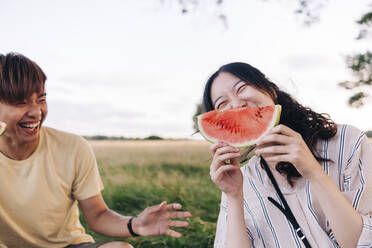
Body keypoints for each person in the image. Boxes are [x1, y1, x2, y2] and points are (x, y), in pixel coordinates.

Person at [0, 52, 191, 248]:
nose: (36, 112)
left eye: (41, 99)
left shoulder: (73, 147)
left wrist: (135, 225)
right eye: (21, 103)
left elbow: (97, 215)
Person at [203, 62, 372, 248]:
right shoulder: (242, 180)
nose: (236, 105)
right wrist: (234, 197)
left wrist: (314, 172)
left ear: (270, 91)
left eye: (241, 88)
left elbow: (359, 242)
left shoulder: (347, 142)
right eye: (222, 103)